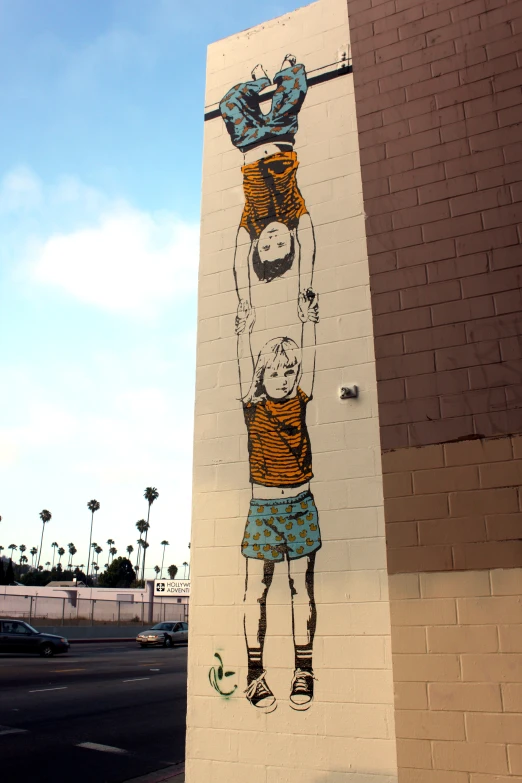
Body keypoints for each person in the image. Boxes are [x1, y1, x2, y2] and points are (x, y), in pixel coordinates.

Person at [235, 289, 320, 712]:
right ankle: (255, 675)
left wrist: (309, 322)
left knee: (299, 589)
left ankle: (302, 669)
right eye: (275, 371)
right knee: (256, 591)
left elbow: (315, 366)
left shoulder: (301, 402)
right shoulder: (253, 408)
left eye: (290, 371)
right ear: (262, 374)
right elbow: (239, 365)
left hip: (300, 504)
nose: (284, 378)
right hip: (264, 509)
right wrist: (243, 333)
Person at [220, 55, 316, 309]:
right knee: (294, 90)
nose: (273, 238)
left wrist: (244, 302)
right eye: (281, 244)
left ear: (256, 246)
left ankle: (260, 81)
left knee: (229, 103)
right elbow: (309, 248)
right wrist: (305, 290)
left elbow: (239, 261)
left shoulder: (250, 223)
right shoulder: (296, 216)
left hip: (248, 142)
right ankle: (286, 71)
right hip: (280, 133)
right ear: (293, 238)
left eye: (267, 246)